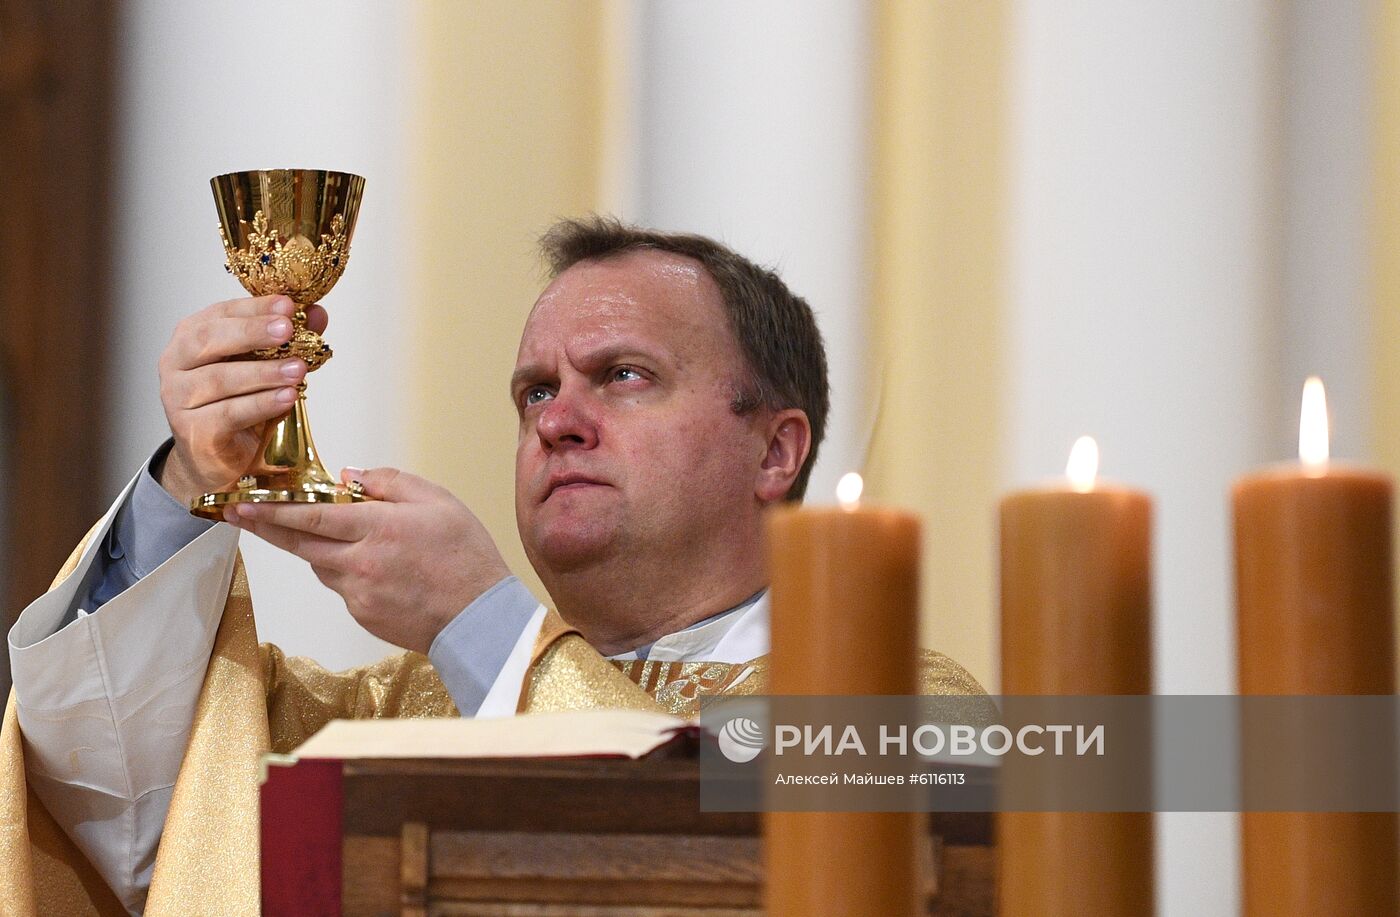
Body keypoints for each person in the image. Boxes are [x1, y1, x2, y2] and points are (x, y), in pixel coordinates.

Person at [0, 217, 988, 915]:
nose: (558, 419)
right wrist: (188, 485)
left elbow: (725, 877)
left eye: (623, 375)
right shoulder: (389, 718)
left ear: (774, 450)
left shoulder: (912, 715)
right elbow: (130, 797)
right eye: (535, 391)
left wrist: (485, 624)